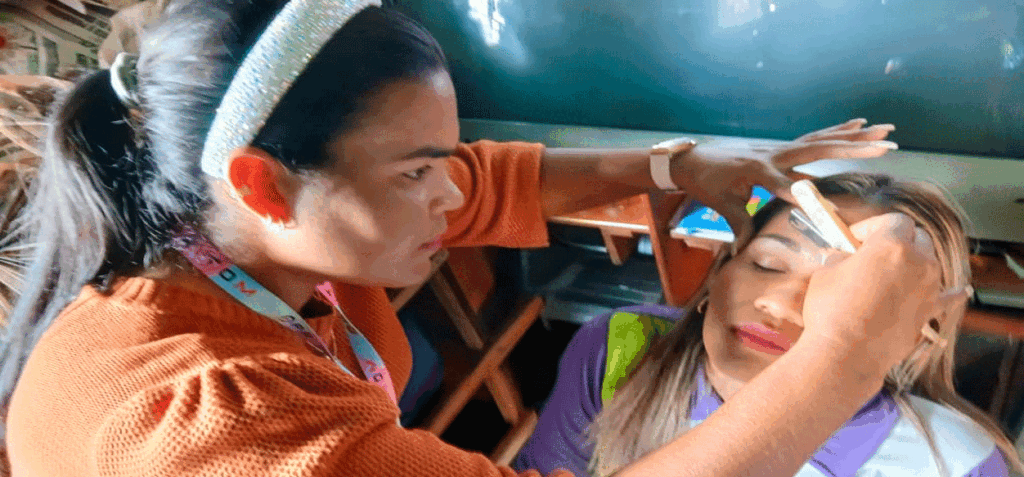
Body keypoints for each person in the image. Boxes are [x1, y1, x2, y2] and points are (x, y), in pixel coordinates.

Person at [0, 1, 952, 476]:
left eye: (446, 157)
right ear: (264, 182)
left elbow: (485, 181)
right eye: (417, 172)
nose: (453, 194)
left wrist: (674, 167)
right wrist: (843, 353)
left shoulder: (227, 231)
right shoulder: (209, 430)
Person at [514, 173, 1019, 477]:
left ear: (912, 335)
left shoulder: (956, 463)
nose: (779, 304)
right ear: (719, 271)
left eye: (843, 298)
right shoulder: (617, 347)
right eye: (767, 264)